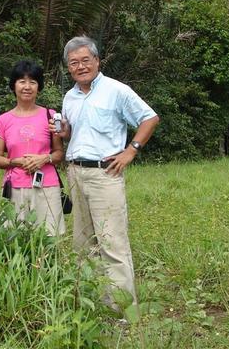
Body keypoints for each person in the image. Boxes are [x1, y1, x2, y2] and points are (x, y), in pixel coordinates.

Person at [54, 36, 159, 308]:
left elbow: (150, 118)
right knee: (83, 244)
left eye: (85, 60)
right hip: (76, 173)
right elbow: (75, 133)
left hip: (105, 175)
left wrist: (131, 149)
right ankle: (97, 303)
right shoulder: (70, 96)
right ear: (68, 67)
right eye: (73, 63)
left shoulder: (116, 90)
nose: (80, 66)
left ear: (97, 61)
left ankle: (124, 309)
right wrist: (65, 133)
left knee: (113, 244)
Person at [0, 60, 66, 236]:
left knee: (48, 237)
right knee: (14, 237)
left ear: (38, 86)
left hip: (47, 186)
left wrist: (44, 159)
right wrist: (13, 162)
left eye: (32, 82)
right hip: (14, 187)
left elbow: (59, 153)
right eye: (22, 81)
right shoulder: (3, 120)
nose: (27, 86)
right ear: (14, 85)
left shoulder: (50, 115)